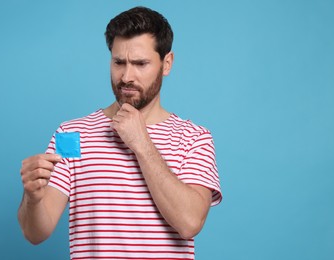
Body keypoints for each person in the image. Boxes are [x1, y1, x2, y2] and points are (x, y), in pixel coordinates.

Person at [18, 6, 222, 259]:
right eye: (119, 62)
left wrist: (142, 143)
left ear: (166, 63)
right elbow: (35, 233)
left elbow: (190, 223)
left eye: (140, 64)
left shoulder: (193, 138)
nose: (126, 76)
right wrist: (32, 197)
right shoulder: (71, 133)